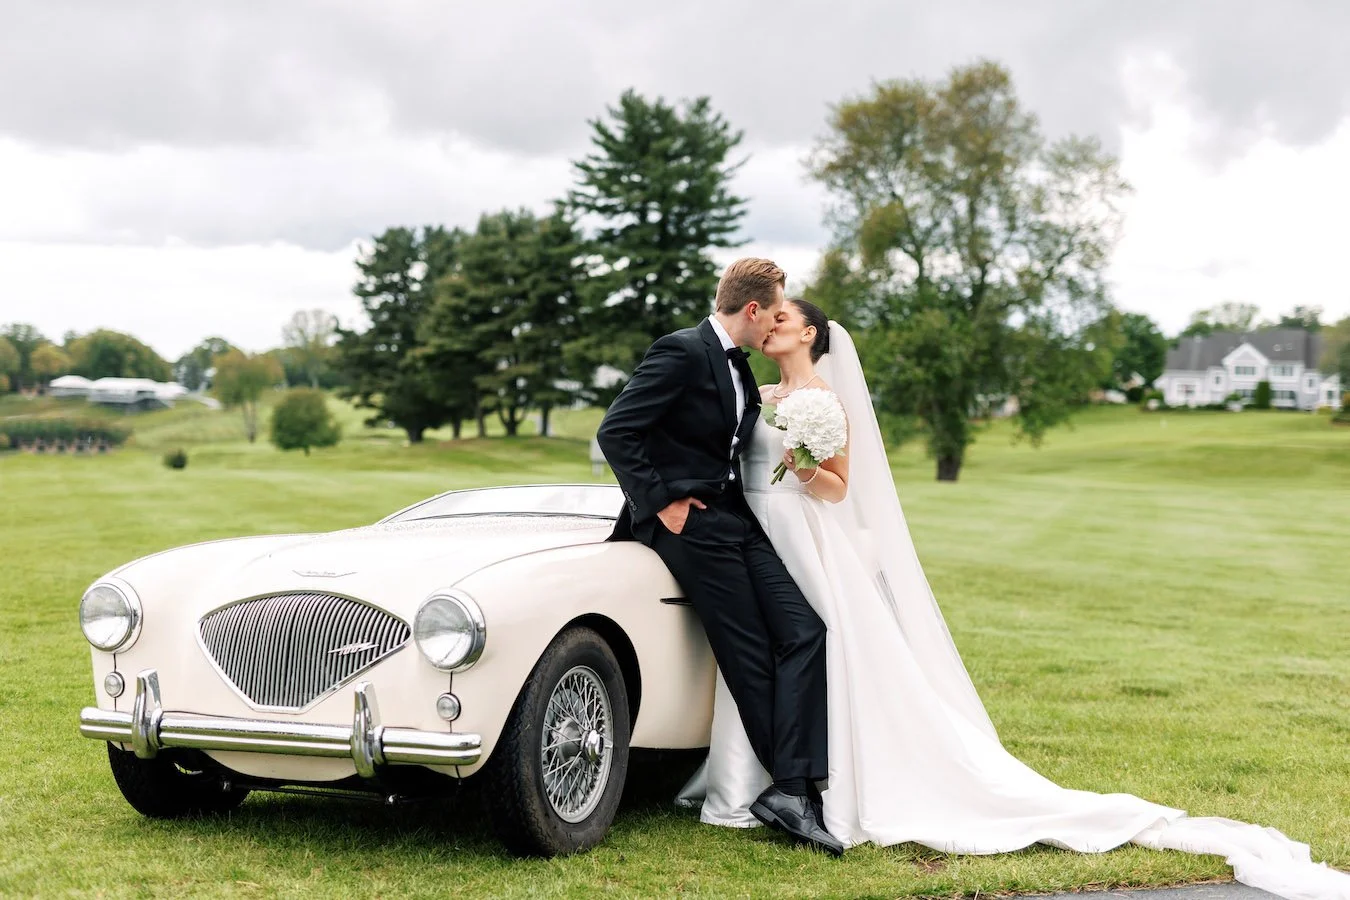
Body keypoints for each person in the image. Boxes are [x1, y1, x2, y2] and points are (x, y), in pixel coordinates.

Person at [676, 297, 1350, 900]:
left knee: (820, 647)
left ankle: (818, 785)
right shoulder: (756, 390)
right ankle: (747, 780)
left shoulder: (826, 401)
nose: (772, 322)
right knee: (760, 649)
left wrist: (803, 463)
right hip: (751, 532)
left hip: (804, 536)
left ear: (813, 335)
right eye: (769, 315)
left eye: (786, 316)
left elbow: (837, 490)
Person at [596, 258, 842, 856]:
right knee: (748, 650)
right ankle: (791, 790)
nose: (774, 326)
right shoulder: (680, 351)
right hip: (690, 526)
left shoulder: (742, 372)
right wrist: (662, 505)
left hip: (736, 517)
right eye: (773, 314)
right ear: (752, 311)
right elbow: (616, 431)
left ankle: (797, 781)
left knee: (805, 630)